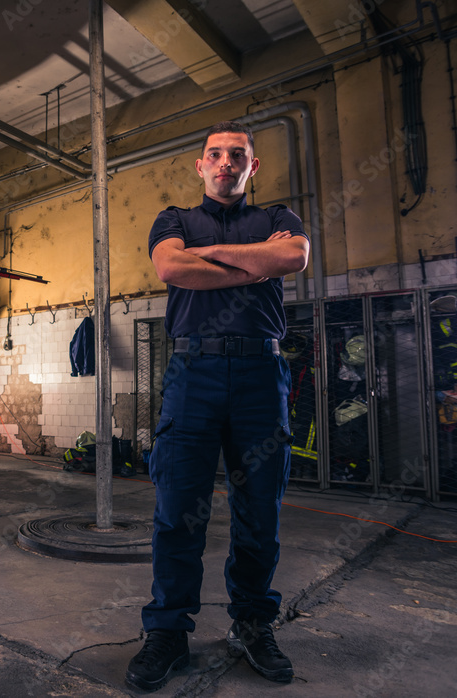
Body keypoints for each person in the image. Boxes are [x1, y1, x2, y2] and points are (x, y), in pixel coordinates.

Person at [125, 121, 310, 692]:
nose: (225, 161)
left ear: (252, 167)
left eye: (237, 154)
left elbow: (294, 258)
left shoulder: (279, 218)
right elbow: (172, 268)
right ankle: (168, 633)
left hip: (260, 372)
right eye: (215, 154)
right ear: (200, 166)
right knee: (179, 507)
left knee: (261, 509)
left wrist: (218, 256)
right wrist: (254, 262)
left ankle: (252, 623)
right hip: (194, 371)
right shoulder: (174, 220)